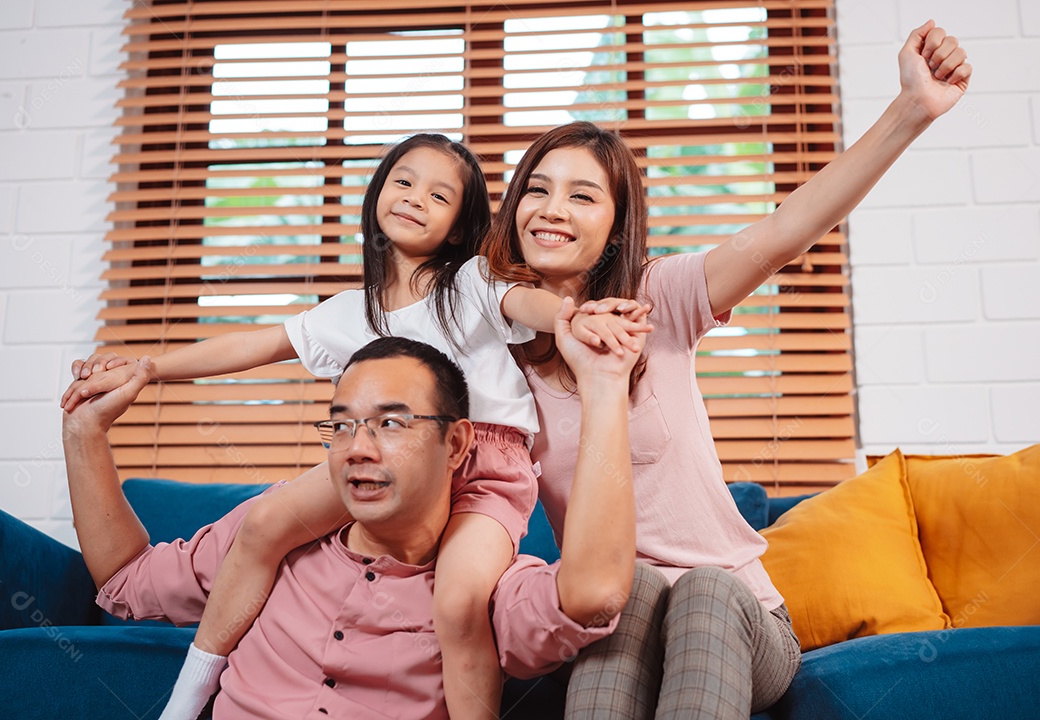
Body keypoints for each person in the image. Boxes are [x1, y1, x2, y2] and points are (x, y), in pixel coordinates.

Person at [60, 133, 649, 720]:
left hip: (488, 466)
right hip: (391, 455)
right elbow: (252, 345)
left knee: (459, 599)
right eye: (403, 181)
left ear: (459, 227)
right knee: (263, 524)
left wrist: (574, 316)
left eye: (439, 195)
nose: (415, 198)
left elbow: (525, 304)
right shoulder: (348, 312)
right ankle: (184, 703)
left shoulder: (470, 281)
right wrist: (148, 368)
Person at [480, 20, 971, 719]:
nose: (552, 209)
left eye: (582, 195)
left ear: (616, 228)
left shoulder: (656, 297)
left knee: (705, 587)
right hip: (619, 610)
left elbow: (784, 232)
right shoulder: (497, 357)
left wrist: (911, 109)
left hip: (740, 620)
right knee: (630, 590)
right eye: (537, 189)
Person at [62, 321, 644, 719]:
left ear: (456, 444)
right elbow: (125, 581)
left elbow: (594, 593)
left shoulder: (481, 585)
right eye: (342, 426)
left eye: (391, 423)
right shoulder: (265, 541)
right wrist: (84, 432)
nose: (358, 449)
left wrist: (603, 388)